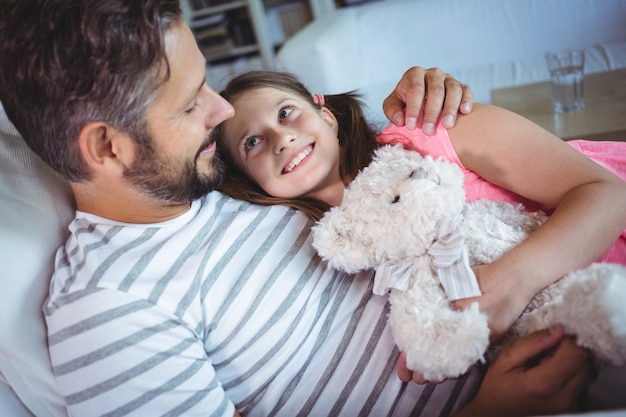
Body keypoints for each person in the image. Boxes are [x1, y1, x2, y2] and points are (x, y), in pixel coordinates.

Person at [0, 1, 591, 416]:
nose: (222, 113)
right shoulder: (112, 312)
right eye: (189, 106)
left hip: (550, 304)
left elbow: (344, 140)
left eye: (207, 84)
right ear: (107, 148)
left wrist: (424, 92)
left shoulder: (214, 174)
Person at [215, 70, 626, 382]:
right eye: (252, 142)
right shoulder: (344, 250)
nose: (280, 138)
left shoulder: (433, 133)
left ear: (326, 115)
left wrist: (510, 282)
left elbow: (607, 194)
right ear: (253, 185)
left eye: (286, 113)